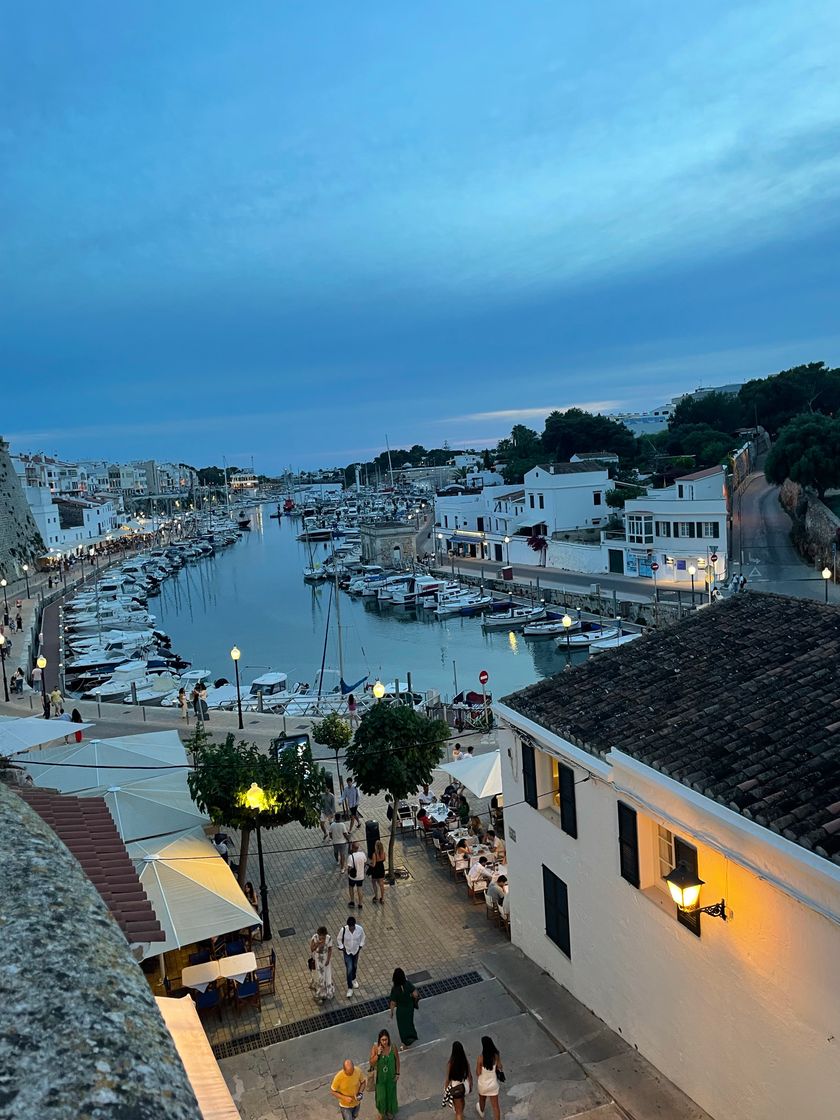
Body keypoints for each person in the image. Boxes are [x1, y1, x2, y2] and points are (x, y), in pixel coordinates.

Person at [369, 1028, 400, 1120]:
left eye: (386, 1039)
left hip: (391, 1076)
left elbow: (397, 1060)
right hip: (380, 1078)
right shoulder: (375, 1047)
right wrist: (377, 1054)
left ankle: (390, 1111)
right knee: (381, 1097)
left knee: (391, 1095)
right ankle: (382, 1112)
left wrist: (397, 1073)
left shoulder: (393, 1047)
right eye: (382, 1040)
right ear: (379, 1040)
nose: (384, 1042)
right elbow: (371, 1062)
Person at [388, 967, 419, 1049]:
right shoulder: (407, 984)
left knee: (402, 1027)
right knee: (409, 1022)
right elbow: (415, 994)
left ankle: (405, 1043)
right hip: (409, 1007)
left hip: (401, 1010)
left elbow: (393, 1003)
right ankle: (412, 1035)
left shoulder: (395, 989)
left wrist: (391, 1012)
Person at [475, 1035, 503, 1120]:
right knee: (495, 1107)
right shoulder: (496, 1055)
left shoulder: (480, 1058)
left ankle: (481, 1112)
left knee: (482, 1100)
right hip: (493, 1084)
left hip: (483, 1085)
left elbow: (478, 1072)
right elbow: (500, 1066)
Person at [337, 915, 365, 998]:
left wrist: (360, 946)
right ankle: (350, 988)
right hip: (347, 952)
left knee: (354, 966)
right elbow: (338, 939)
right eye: (350, 927)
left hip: (356, 951)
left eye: (352, 927)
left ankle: (354, 978)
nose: (351, 929)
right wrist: (342, 947)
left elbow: (363, 937)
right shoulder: (344, 930)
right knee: (349, 968)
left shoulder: (360, 929)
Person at [443, 1040, 473, 1118]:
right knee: (462, 1101)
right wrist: (470, 1085)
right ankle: (461, 1114)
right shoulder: (465, 1061)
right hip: (465, 1086)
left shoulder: (451, 1063)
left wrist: (446, 1089)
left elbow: (448, 1078)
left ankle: (460, 1116)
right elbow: (469, 1075)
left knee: (458, 1112)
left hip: (456, 1088)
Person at [309, 926, 335, 1001]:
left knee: (326, 974)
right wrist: (317, 943)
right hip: (317, 959)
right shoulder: (315, 937)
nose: (322, 939)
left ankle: (327, 991)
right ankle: (320, 991)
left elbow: (330, 949)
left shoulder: (329, 938)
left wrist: (328, 960)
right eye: (321, 937)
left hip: (325, 958)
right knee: (319, 975)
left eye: (323, 937)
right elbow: (312, 949)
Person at [346, 841, 367, 909]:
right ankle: (360, 904)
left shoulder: (350, 857)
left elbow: (349, 868)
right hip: (360, 876)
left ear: (352, 848)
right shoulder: (362, 854)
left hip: (352, 877)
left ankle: (352, 901)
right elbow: (365, 862)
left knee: (351, 887)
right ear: (358, 848)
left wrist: (348, 873)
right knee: (359, 889)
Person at [370, 839, 386, 904]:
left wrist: (369, 863)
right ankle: (382, 898)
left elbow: (373, 865)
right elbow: (384, 859)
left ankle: (376, 896)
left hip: (375, 870)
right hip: (381, 868)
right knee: (381, 884)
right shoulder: (383, 853)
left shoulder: (374, 854)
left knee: (374, 883)